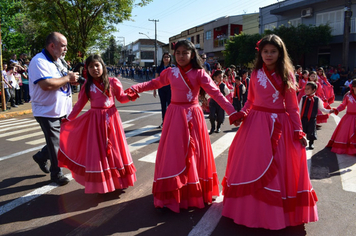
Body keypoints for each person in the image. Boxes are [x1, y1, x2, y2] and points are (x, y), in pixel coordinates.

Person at [125, 39, 239, 213]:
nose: (180, 56)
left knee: (194, 153)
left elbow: (216, 93)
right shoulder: (170, 72)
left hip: (193, 115)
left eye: (185, 53)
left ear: (192, 54)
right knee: (174, 153)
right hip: (174, 115)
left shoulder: (200, 73)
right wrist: (136, 88)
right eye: (177, 53)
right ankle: (174, 189)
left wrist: (232, 112)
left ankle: (191, 191)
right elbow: (153, 83)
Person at [222, 34, 318, 230]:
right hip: (255, 123)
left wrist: (299, 130)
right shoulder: (255, 74)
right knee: (250, 163)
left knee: (279, 166)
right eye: (265, 51)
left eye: (273, 51)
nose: (269, 54)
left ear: (280, 53)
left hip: (279, 124)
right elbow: (250, 100)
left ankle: (275, 215)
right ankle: (249, 211)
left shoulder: (288, 74)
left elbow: (292, 107)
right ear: (260, 53)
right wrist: (242, 112)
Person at [58, 55, 137, 193]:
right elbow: (78, 106)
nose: (94, 69)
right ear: (87, 70)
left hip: (112, 120)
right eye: (91, 67)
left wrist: (131, 95)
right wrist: (68, 120)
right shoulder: (87, 86)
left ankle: (119, 181)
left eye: (97, 65)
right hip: (95, 122)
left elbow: (122, 99)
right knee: (99, 153)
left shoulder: (113, 82)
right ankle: (104, 184)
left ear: (103, 66)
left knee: (115, 150)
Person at [29, 32, 79, 186]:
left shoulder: (60, 61)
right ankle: (56, 174)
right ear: (52, 45)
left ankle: (42, 156)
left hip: (62, 109)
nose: (65, 49)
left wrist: (72, 81)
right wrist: (68, 79)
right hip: (47, 111)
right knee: (56, 142)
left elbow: (63, 78)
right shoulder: (39, 61)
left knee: (62, 140)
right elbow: (47, 85)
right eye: (63, 46)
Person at [299, 82, 332, 149]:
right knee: (302, 130)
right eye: (306, 89)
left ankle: (311, 143)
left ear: (314, 90)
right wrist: (298, 118)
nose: (306, 90)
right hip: (303, 118)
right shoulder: (303, 98)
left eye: (308, 89)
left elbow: (322, 109)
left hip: (312, 118)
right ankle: (302, 142)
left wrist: (329, 111)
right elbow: (299, 108)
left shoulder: (317, 99)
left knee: (312, 131)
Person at [327, 79, 356, 155]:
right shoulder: (348, 95)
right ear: (352, 87)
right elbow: (343, 105)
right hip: (349, 118)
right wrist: (336, 109)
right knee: (346, 134)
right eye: (355, 86)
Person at [153, 52, 175, 128]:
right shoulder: (159, 67)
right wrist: (154, 89)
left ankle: (171, 122)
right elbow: (156, 79)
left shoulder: (173, 67)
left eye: (167, 57)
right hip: (161, 89)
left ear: (170, 58)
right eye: (164, 57)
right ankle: (164, 122)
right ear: (162, 59)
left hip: (170, 89)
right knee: (163, 106)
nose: (166, 58)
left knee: (170, 106)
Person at [209, 70, 230, 134]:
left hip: (220, 103)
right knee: (212, 115)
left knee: (220, 115)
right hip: (213, 102)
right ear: (214, 77)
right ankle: (213, 127)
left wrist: (222, 97)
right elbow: (208, 92)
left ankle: (218, 127)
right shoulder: (212, 84)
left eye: (221, 77)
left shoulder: (223, 85)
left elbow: (227, 92)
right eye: (219, 77)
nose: (221, 78)